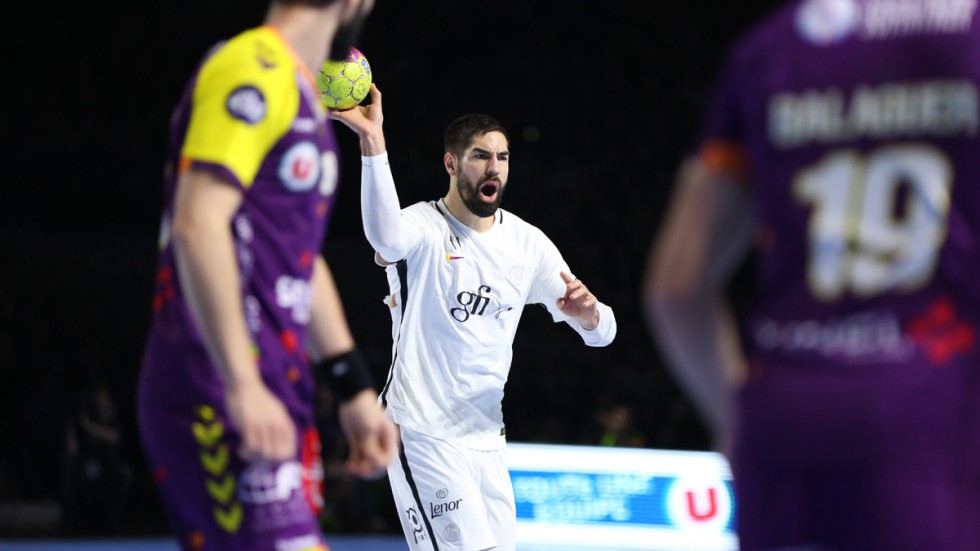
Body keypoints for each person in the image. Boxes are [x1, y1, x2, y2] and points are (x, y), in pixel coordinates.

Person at [643, 1, 980, 550]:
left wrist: (741, 422)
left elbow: (675, 290)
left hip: (787, 417)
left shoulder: (768, 50)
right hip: (938, 413)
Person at [136, 1, 398, 549]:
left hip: (276, 387)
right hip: (215, 387)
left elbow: (297, 257)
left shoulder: (298, 90)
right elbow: (197, 221)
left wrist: (350, 385)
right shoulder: (250, 68)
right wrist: (241, 381)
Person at [331, 90, 618, 550]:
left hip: (487, 439)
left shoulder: (529, 244)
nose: (494, 168)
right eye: (480, 156)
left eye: (502, 156)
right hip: (422, 431)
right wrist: (372, 139)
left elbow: (605, 334)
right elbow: (383, 236)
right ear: (451, 164)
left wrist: (589, 316)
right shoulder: (424, 228)